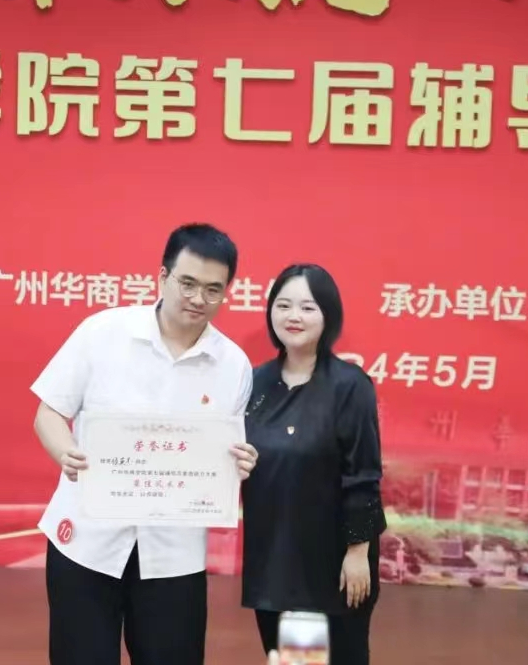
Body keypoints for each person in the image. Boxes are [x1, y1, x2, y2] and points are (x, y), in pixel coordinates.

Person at [30, 223, 260, 665]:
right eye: (187, 283)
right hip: (87, 542)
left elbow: (225, 453)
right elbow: (48, 413)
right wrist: (64, 452)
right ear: (162, 276)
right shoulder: (102, 332)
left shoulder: (233, 365)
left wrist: (240, 462)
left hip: (174, 555)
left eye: (213, 289)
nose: (198, 298)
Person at [241, 263, 386, 665]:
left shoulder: (349, 385)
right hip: (275, 556)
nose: (294, 316)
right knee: (293, 660)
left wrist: (357, 551)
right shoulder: (254, 383)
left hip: (333, 559)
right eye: (283, 305)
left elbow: (364, 474)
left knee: (339, 658)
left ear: (328, 315)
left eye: (307, 307)